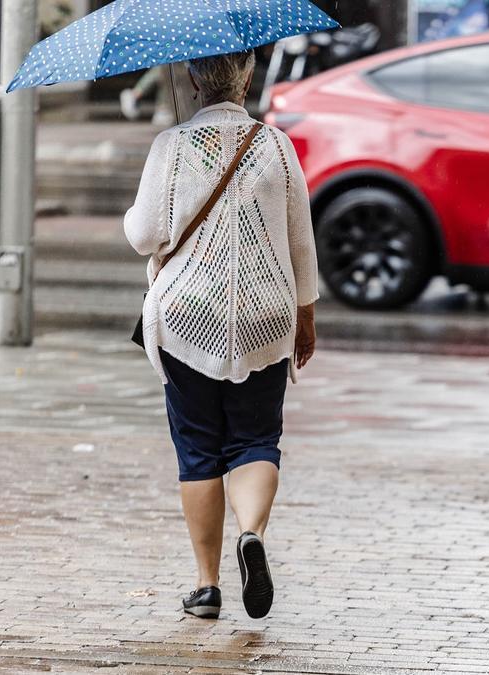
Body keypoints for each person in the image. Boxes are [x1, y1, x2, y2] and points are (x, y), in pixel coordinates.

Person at [123, 50, 319, 621]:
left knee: (198, 447)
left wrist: (137, 217)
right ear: (249, 77)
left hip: (186, 318)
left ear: (190, 79)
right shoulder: (277, 147)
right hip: (265, 317)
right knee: (256, 439)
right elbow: (301, 241)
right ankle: (251, 534)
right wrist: (306, 319)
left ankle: (206, 586)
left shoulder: (171, 146)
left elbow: (142, 236)